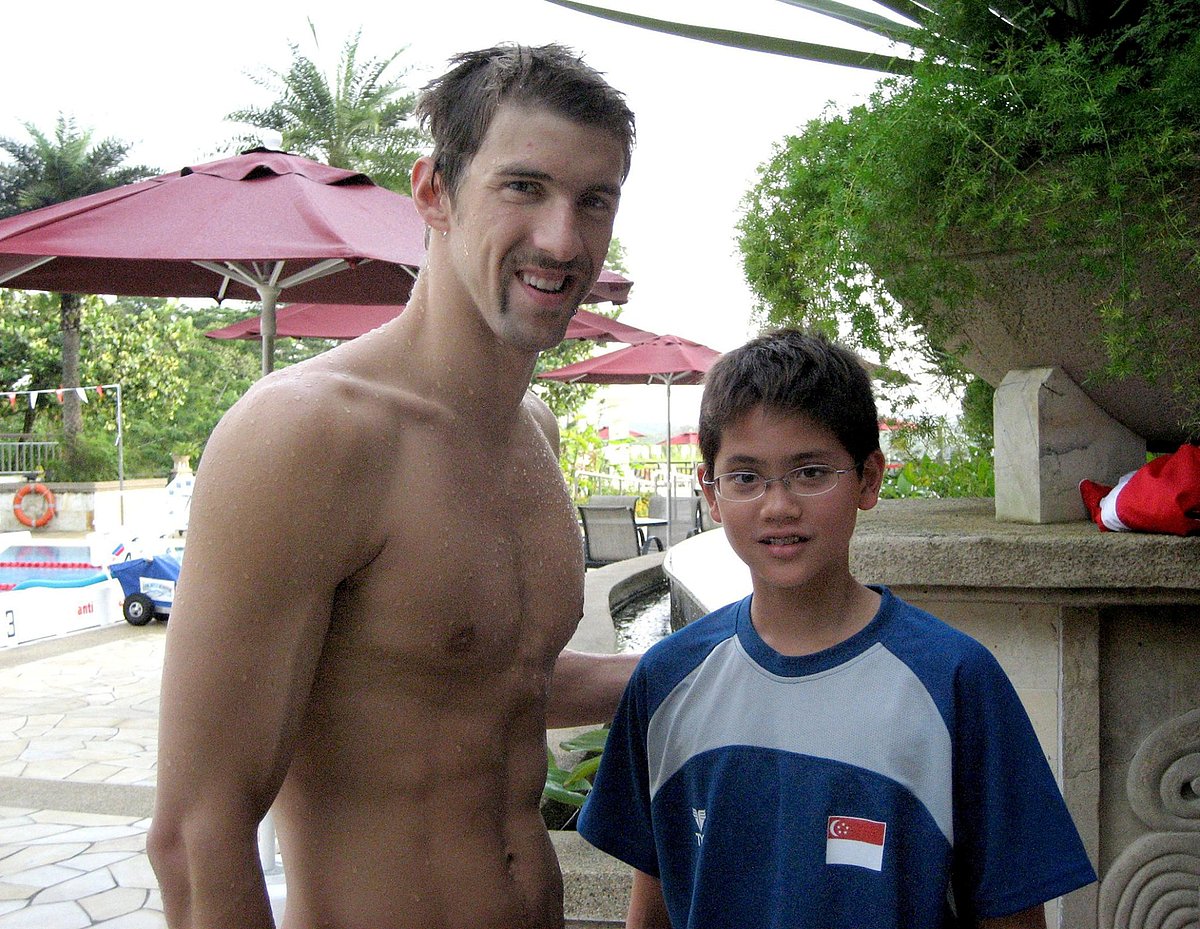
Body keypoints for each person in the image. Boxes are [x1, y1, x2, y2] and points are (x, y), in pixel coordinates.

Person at [149, 44, 639, 929]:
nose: (563, 240)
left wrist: (701, 661)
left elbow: (478, 672)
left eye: (593, 200)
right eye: (523, 187)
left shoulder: (533, 436)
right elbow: (196, 832)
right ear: (433, 193)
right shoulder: (311, 434)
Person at [577, 329, 1097, 928]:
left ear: (869, 479)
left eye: (811, 472)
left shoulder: (953, 681)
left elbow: (1012, 913)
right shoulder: (667, 678)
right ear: (712, 495)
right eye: (746, 477)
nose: (778, 506)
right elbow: (656, 899)